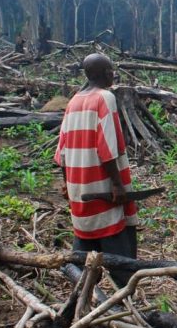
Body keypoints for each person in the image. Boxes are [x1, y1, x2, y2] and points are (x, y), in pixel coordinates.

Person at [55, 53, 137, 286]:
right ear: (103, 74)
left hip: (80, 190)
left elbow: (62, 152)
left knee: (83, 248)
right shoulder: (105, 98)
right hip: (102, 189)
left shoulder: (73, 101)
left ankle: (82, 297)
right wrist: (117, 184)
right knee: (119, 255)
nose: (113, 74)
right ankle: (123, 300)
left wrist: (67, 185)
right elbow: (107, 148)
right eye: (110, 70)